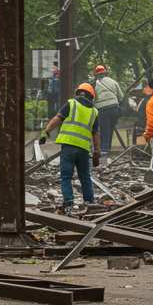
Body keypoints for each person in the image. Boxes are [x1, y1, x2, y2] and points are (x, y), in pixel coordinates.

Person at [42, 83, 101, 214]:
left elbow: (57, 119)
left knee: (66, 177)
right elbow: (96, 133)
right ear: (91, 97)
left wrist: (46, 132)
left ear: (78, 93)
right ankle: (89, 202)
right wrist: (97, 151)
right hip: (84, 150)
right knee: (85, 176)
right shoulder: (94, 111)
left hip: (68, 147)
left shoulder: (71, 104)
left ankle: (69, 202)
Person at [91, 65, 124, 156]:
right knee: (110, 130)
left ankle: (105, 152)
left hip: (102, 110)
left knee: (104, 130)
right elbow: (121, 97)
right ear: (105, 73)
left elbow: (93, 100)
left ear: (96, 75)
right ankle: (107, 149)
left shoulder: (94, 84)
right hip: (114, 109)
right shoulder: (113, 82)